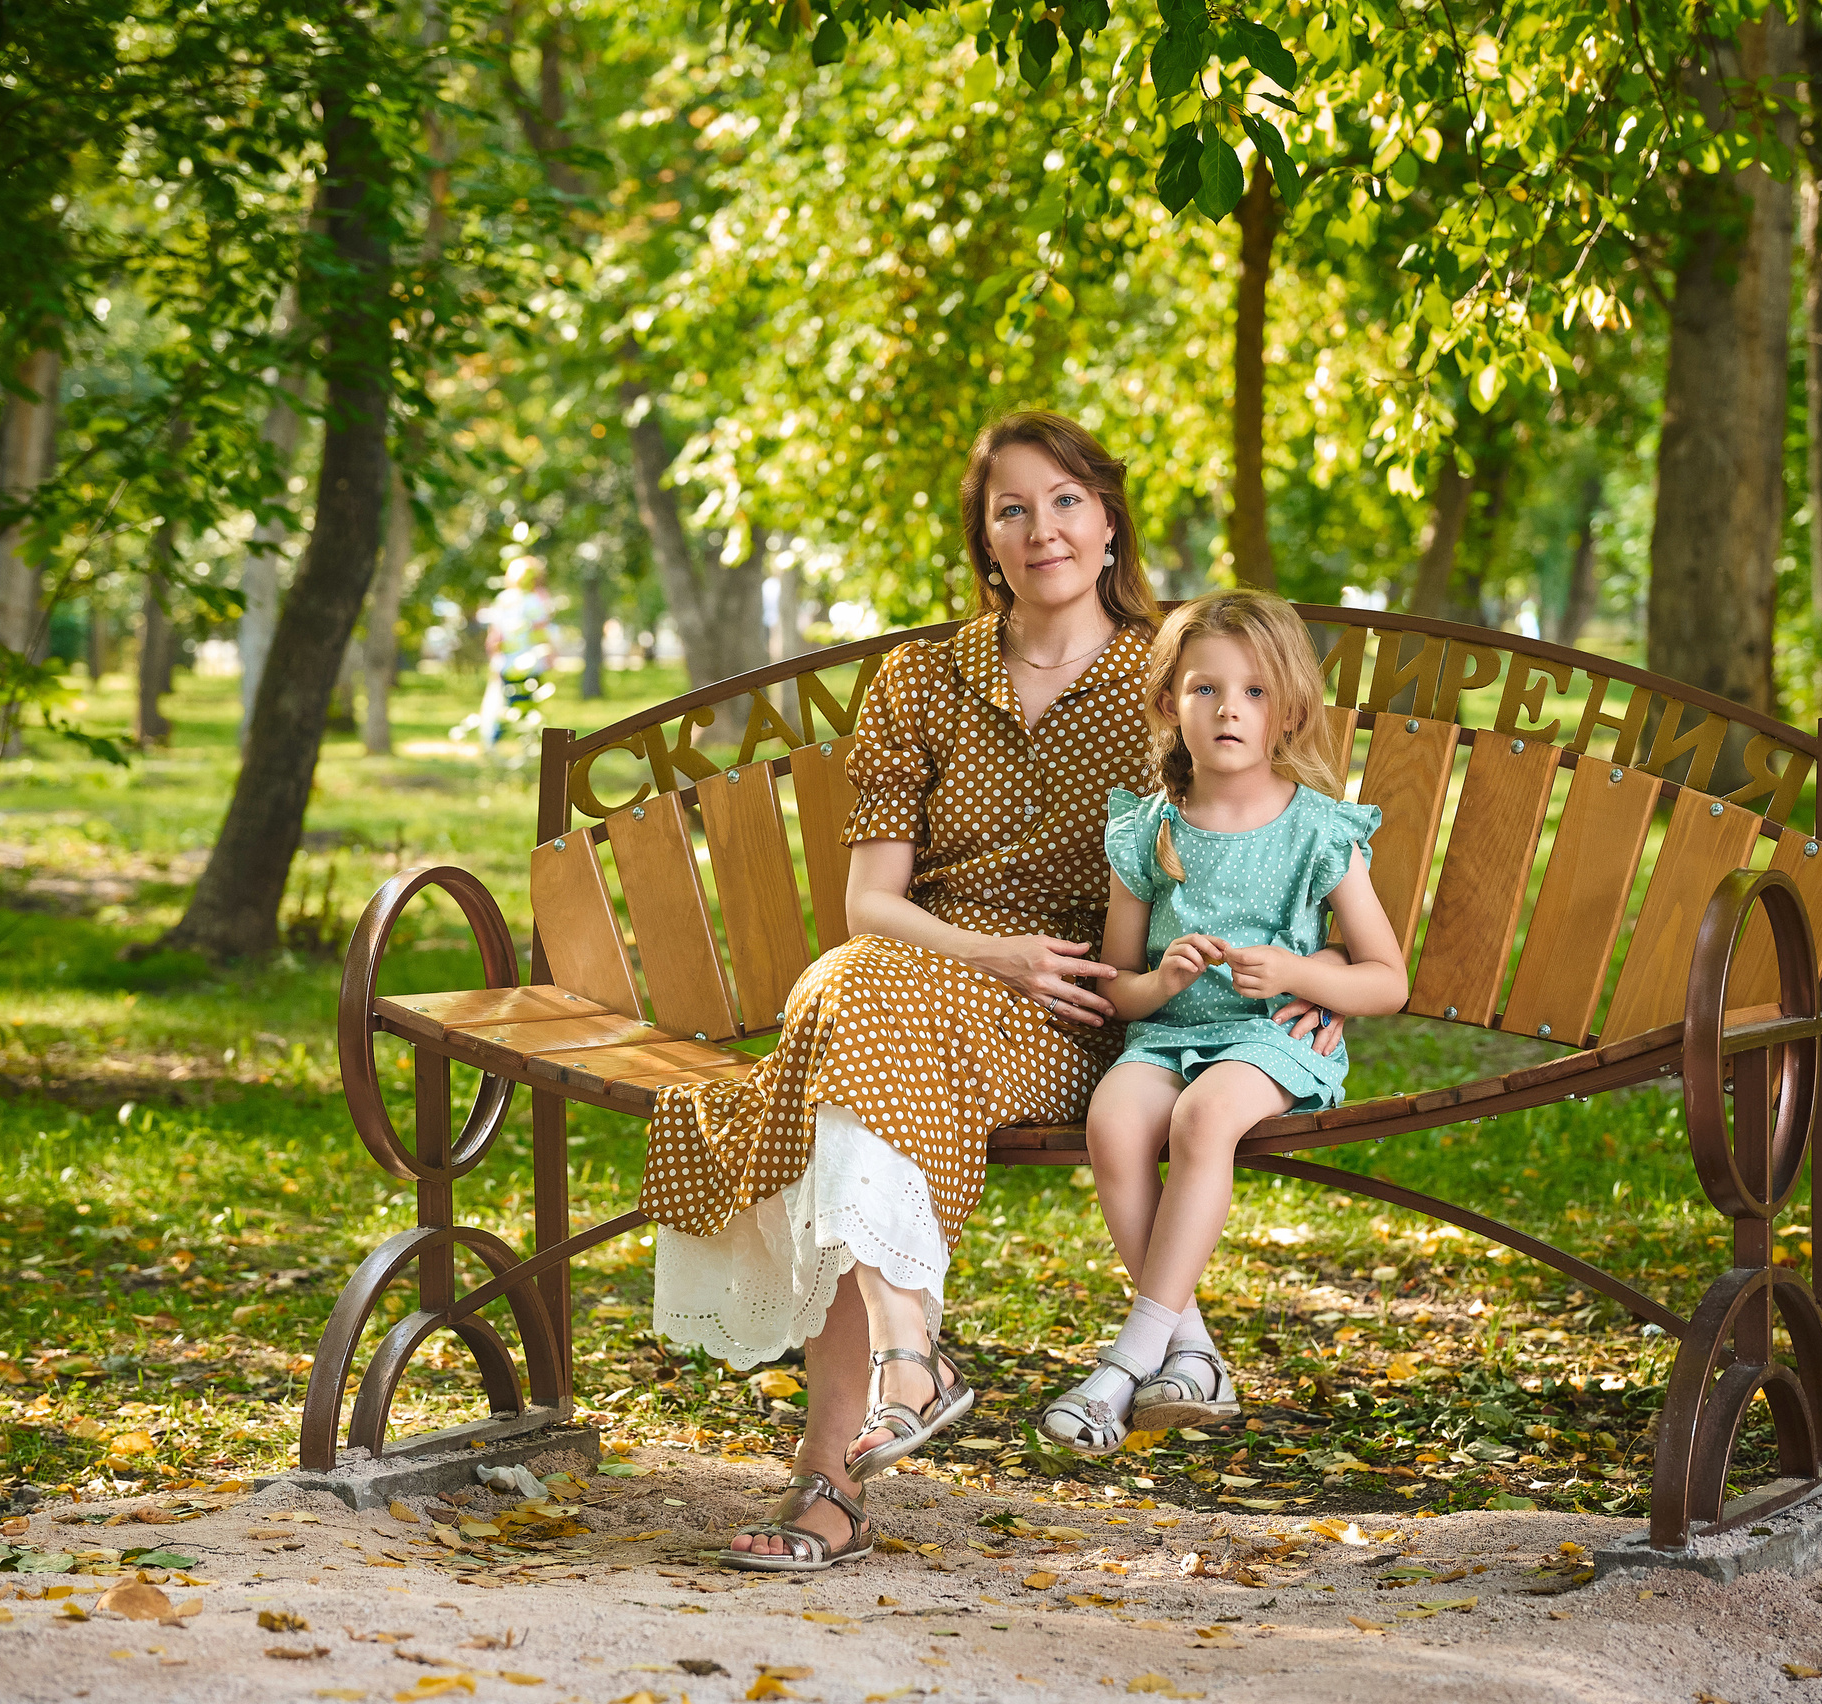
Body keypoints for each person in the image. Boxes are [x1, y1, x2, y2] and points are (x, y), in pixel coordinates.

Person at [633, 414, 1342, 1572]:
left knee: (841, 1030)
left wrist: (1310, 979)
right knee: (858, 1003)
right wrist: (987, 951)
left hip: (1080, 1006)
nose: (1041, 528)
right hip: (924, 981)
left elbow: (1276, 810)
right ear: (986, 540)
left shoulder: (1165, 675)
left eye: (1065, 501)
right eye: (1012, 509)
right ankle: (906, 1353)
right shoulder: (922, 677)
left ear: (1108, 523)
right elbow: (873, 904)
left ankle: (837, 1477)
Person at [1042, 590, 1409, 1453]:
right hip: (1167, 1034)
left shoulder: (1320, 831)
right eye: (1205, 689)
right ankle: (1192, 1352)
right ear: (1171, 703)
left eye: (1252, 692)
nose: (1228, 710)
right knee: (1115, 1120)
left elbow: (1387, 979)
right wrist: (1161, 981)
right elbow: (1117, 989)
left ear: (1287, 712)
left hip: (1273, 1039)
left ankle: (1126, 1364)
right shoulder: (1148, 832)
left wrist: (1296, 971)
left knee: (1201, 1117)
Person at [480, 558, 556, 749]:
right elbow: (541, 632)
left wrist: (495, 659)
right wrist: (550, 655)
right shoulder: (533, 601)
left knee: (513, 704)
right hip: (528, 663)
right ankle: (509, 743)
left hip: (510, 664)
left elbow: (494, 637)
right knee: (521, 706)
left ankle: (507, 743)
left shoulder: (503, 600)